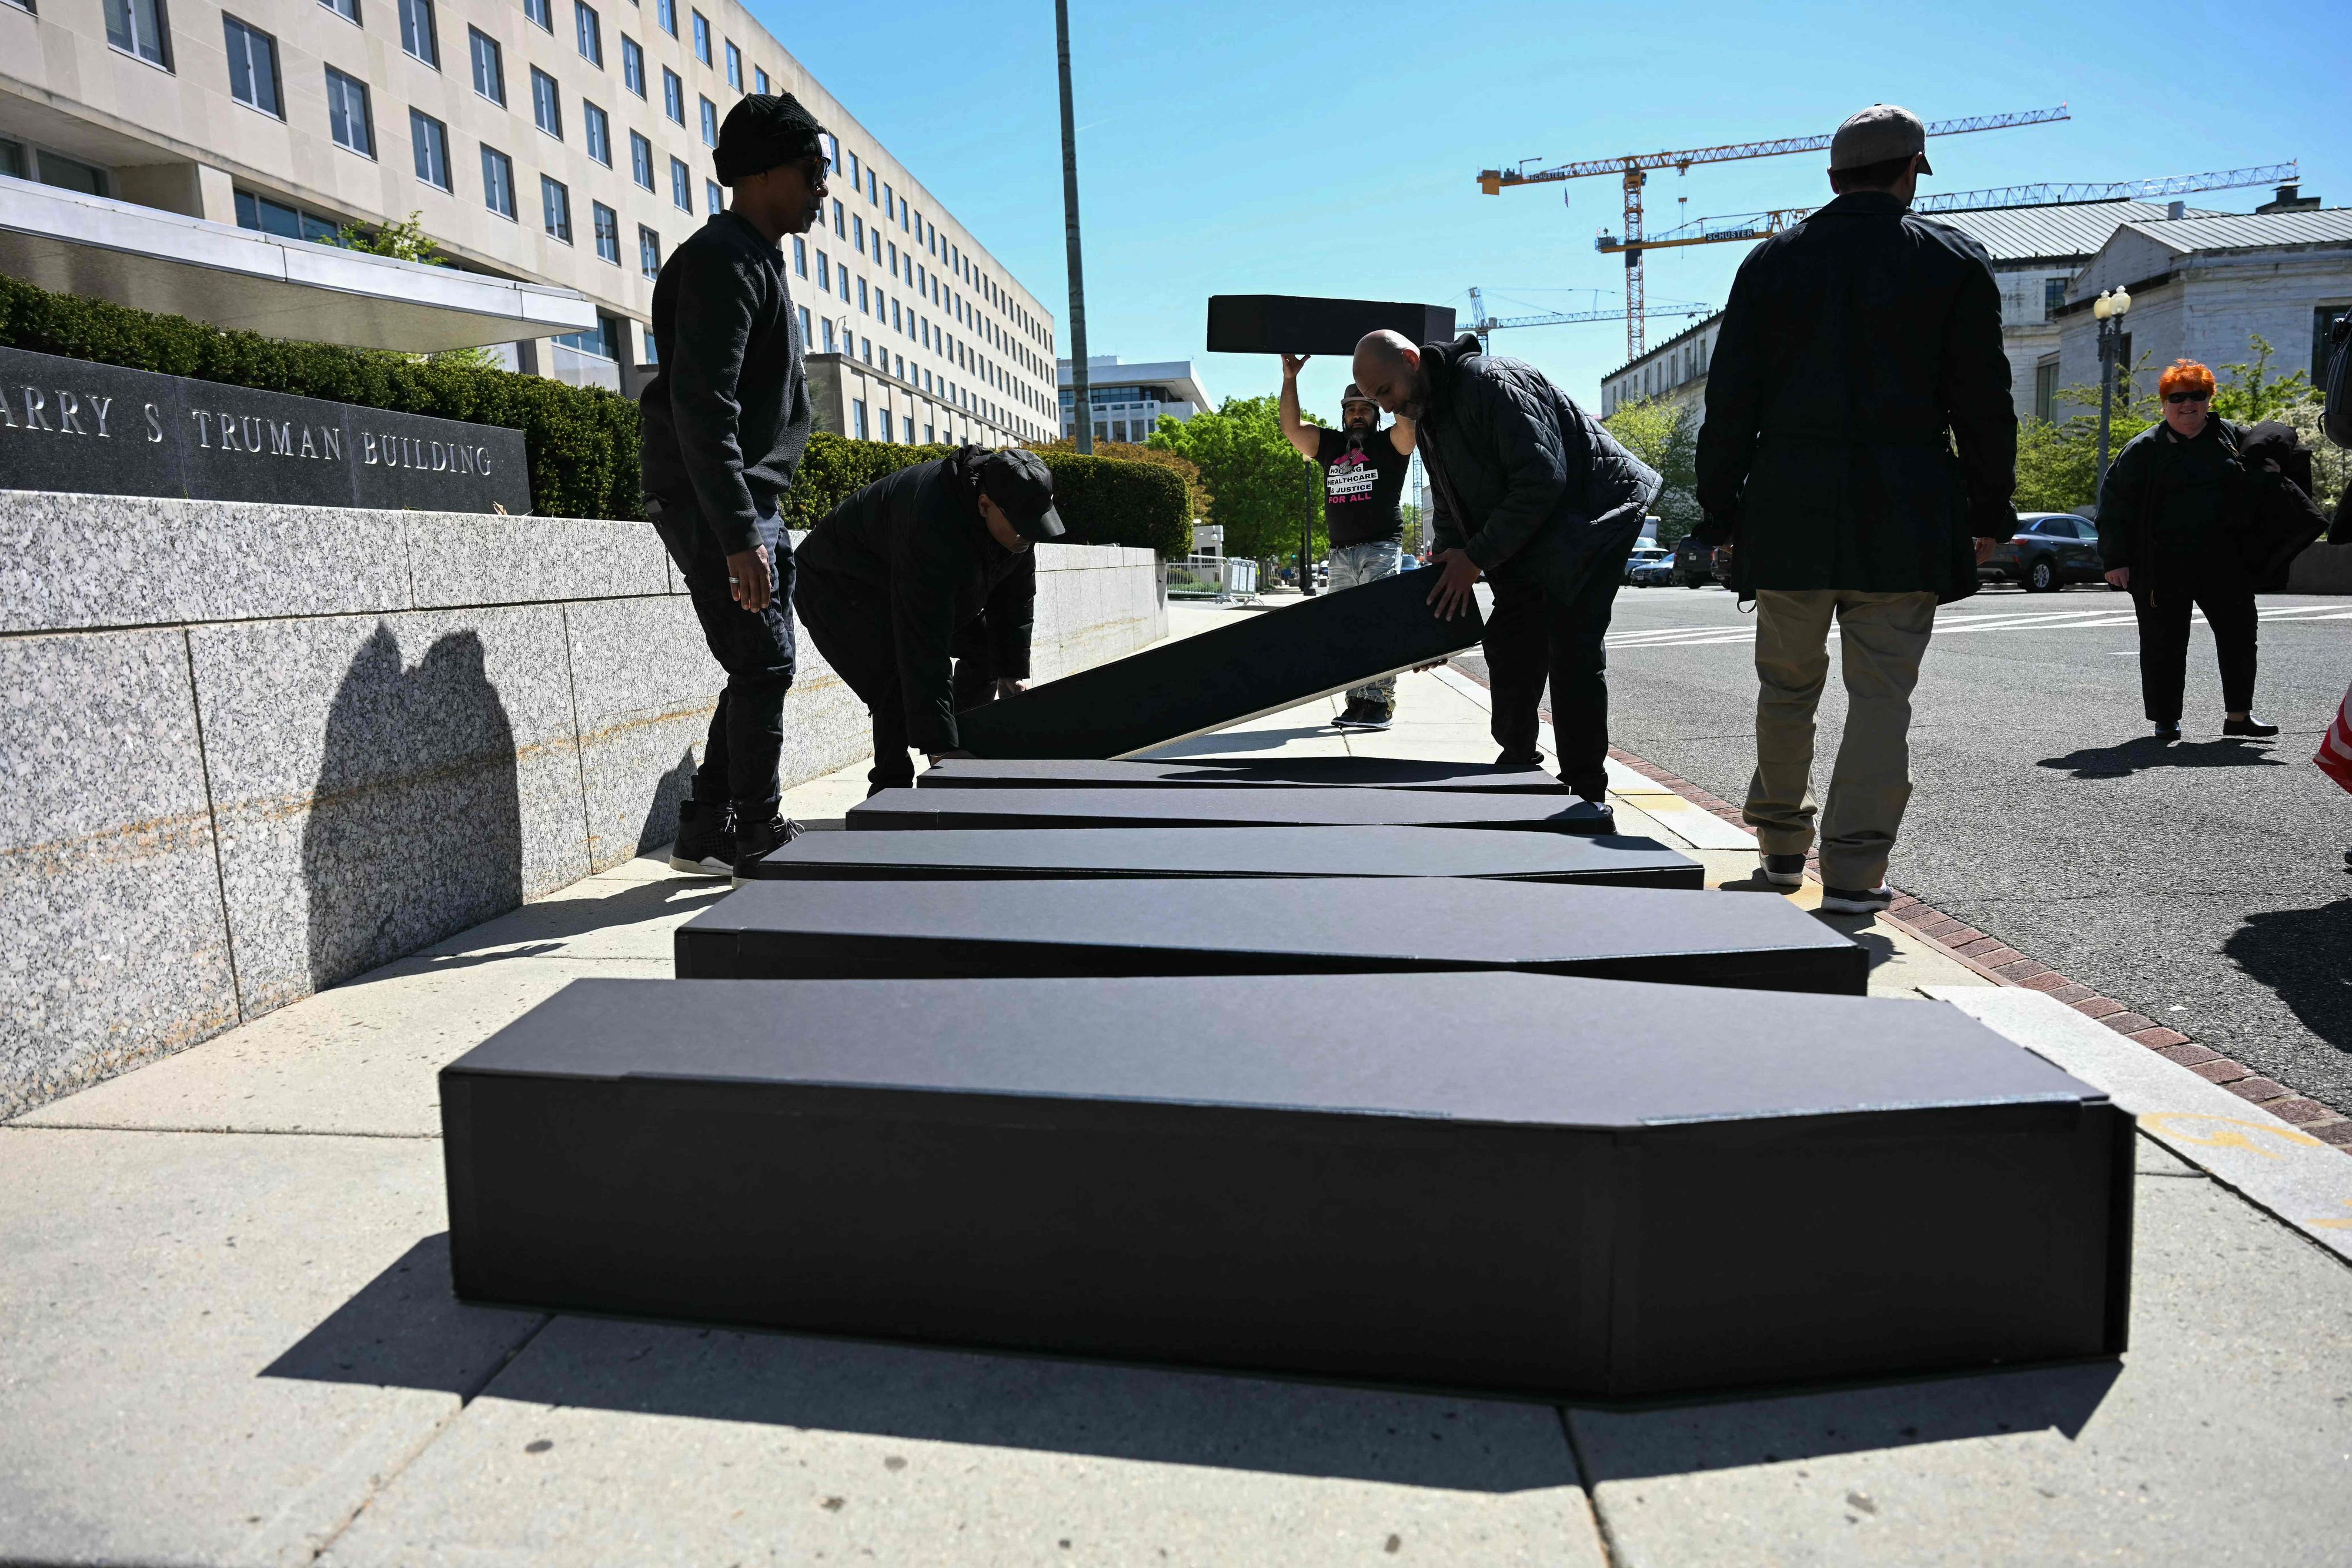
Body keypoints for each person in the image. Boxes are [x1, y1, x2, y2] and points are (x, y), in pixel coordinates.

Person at [1693, 102, 2016, 915]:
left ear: (1832, 179)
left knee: (1785, 686)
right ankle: (1854, 870)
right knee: (1881, 697)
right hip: (1903, 512)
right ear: (1912, 171)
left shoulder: (1770, 263)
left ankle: (1777, 846)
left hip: (1789, 507)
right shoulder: (1953, 260)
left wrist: (1719, 511)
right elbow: (1983, 401)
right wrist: (1991, 508)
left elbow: (1730, 401)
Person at [1350, 330, 1658, 826]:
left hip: (1592, 518)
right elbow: (1450, 508)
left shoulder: (1491, 383)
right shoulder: (1426, 415)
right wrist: (1441, 603)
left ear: (1412, 360)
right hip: (1535, 532)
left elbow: (1543, 478)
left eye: (1385, 392)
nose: (1384, 409)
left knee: (1570, 649)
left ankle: (1585, 791)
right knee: (1510, 641)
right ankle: (1518, 763)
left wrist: (1476, 558)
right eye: (1374, 399)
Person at [641, 93, 828, 878]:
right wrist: (740, 531)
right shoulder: (723, 259)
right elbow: (702, 406)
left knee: (759, 663)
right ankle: (755, 828)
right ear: (760, 174)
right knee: (767, 664)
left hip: (752, 503)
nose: (824, 188)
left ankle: (705, 821)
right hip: (721, 505)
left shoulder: (755, 258)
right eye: (812, 170)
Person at [794, 447, 1063, 795]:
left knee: (988, 653)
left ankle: (966, 745)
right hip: (837, 587)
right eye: (1022, 530)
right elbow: (923, 644)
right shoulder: (931, 519)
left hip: (908, 584)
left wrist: (1012, 671)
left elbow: (1016, 596)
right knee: (892, 679)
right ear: (984, 506)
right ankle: (891, 792)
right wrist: (939, 745)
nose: (1028, 539)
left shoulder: (1014, 521)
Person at [2097, 359, 2278, 743]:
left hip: (2225, 561)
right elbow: (2114, 507)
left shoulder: (2233, 437)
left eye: (2197, 396)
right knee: (2163, 642)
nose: (2188, 405)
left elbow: (2273, 452)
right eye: (2177, 398)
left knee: (2240, 635)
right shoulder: (2143, 449)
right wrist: (2115, 560)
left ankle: (2239, 716)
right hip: (2162, 565)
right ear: (2164, 404)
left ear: (2209, 400)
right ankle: (2166, 719)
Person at [1278, 357, 1417, 729]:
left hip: (1381, 547)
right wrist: (1290, 379)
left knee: (1378, 625)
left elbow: (1409, 423)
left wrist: (1397, 376)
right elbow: (1291, 427)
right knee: (1346, 630)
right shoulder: (1330, 444)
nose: (1358, 415)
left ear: (1377, 412)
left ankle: (1380, 705)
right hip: (1340, 554)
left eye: (1366, 409)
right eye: (1352, 409)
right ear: (1343, 414)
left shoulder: (1391, 443)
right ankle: (1357, 702)